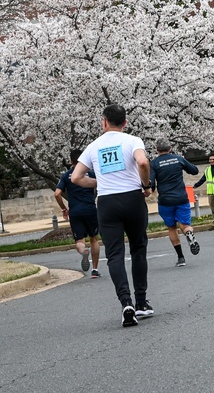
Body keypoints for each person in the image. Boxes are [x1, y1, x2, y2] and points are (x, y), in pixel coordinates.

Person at [72, 104, 153, 328]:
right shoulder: (133, 140)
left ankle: (125, 303)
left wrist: (100, 182)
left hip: (107, 202)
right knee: (138, 248)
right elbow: (143, 162)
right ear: (125, 123)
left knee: (115, 254)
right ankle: (142, 303)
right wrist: (145, 184)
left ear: (104, 122)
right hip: (132, 198)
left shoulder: (93, 146)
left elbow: (76, 177)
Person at [149, 140, 200, 267]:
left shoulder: (154, 163)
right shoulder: (178, 159)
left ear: (157, 150)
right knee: (185, 224)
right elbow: (194, 170)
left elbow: (151, 183)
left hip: (166, 200)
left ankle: (181, 257)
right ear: (170, 148)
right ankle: (189, 233)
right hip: (181, 197)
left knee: (172, 227)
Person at [54, 150, 101, 278]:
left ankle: (83, 251)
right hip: (90, 209)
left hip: (75, 211)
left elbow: (57, 193)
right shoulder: (91, 173)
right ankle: (95, 270)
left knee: (79, 241)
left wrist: (64, 208)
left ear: (71, 161)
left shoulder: (66, 175)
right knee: (94, 238)